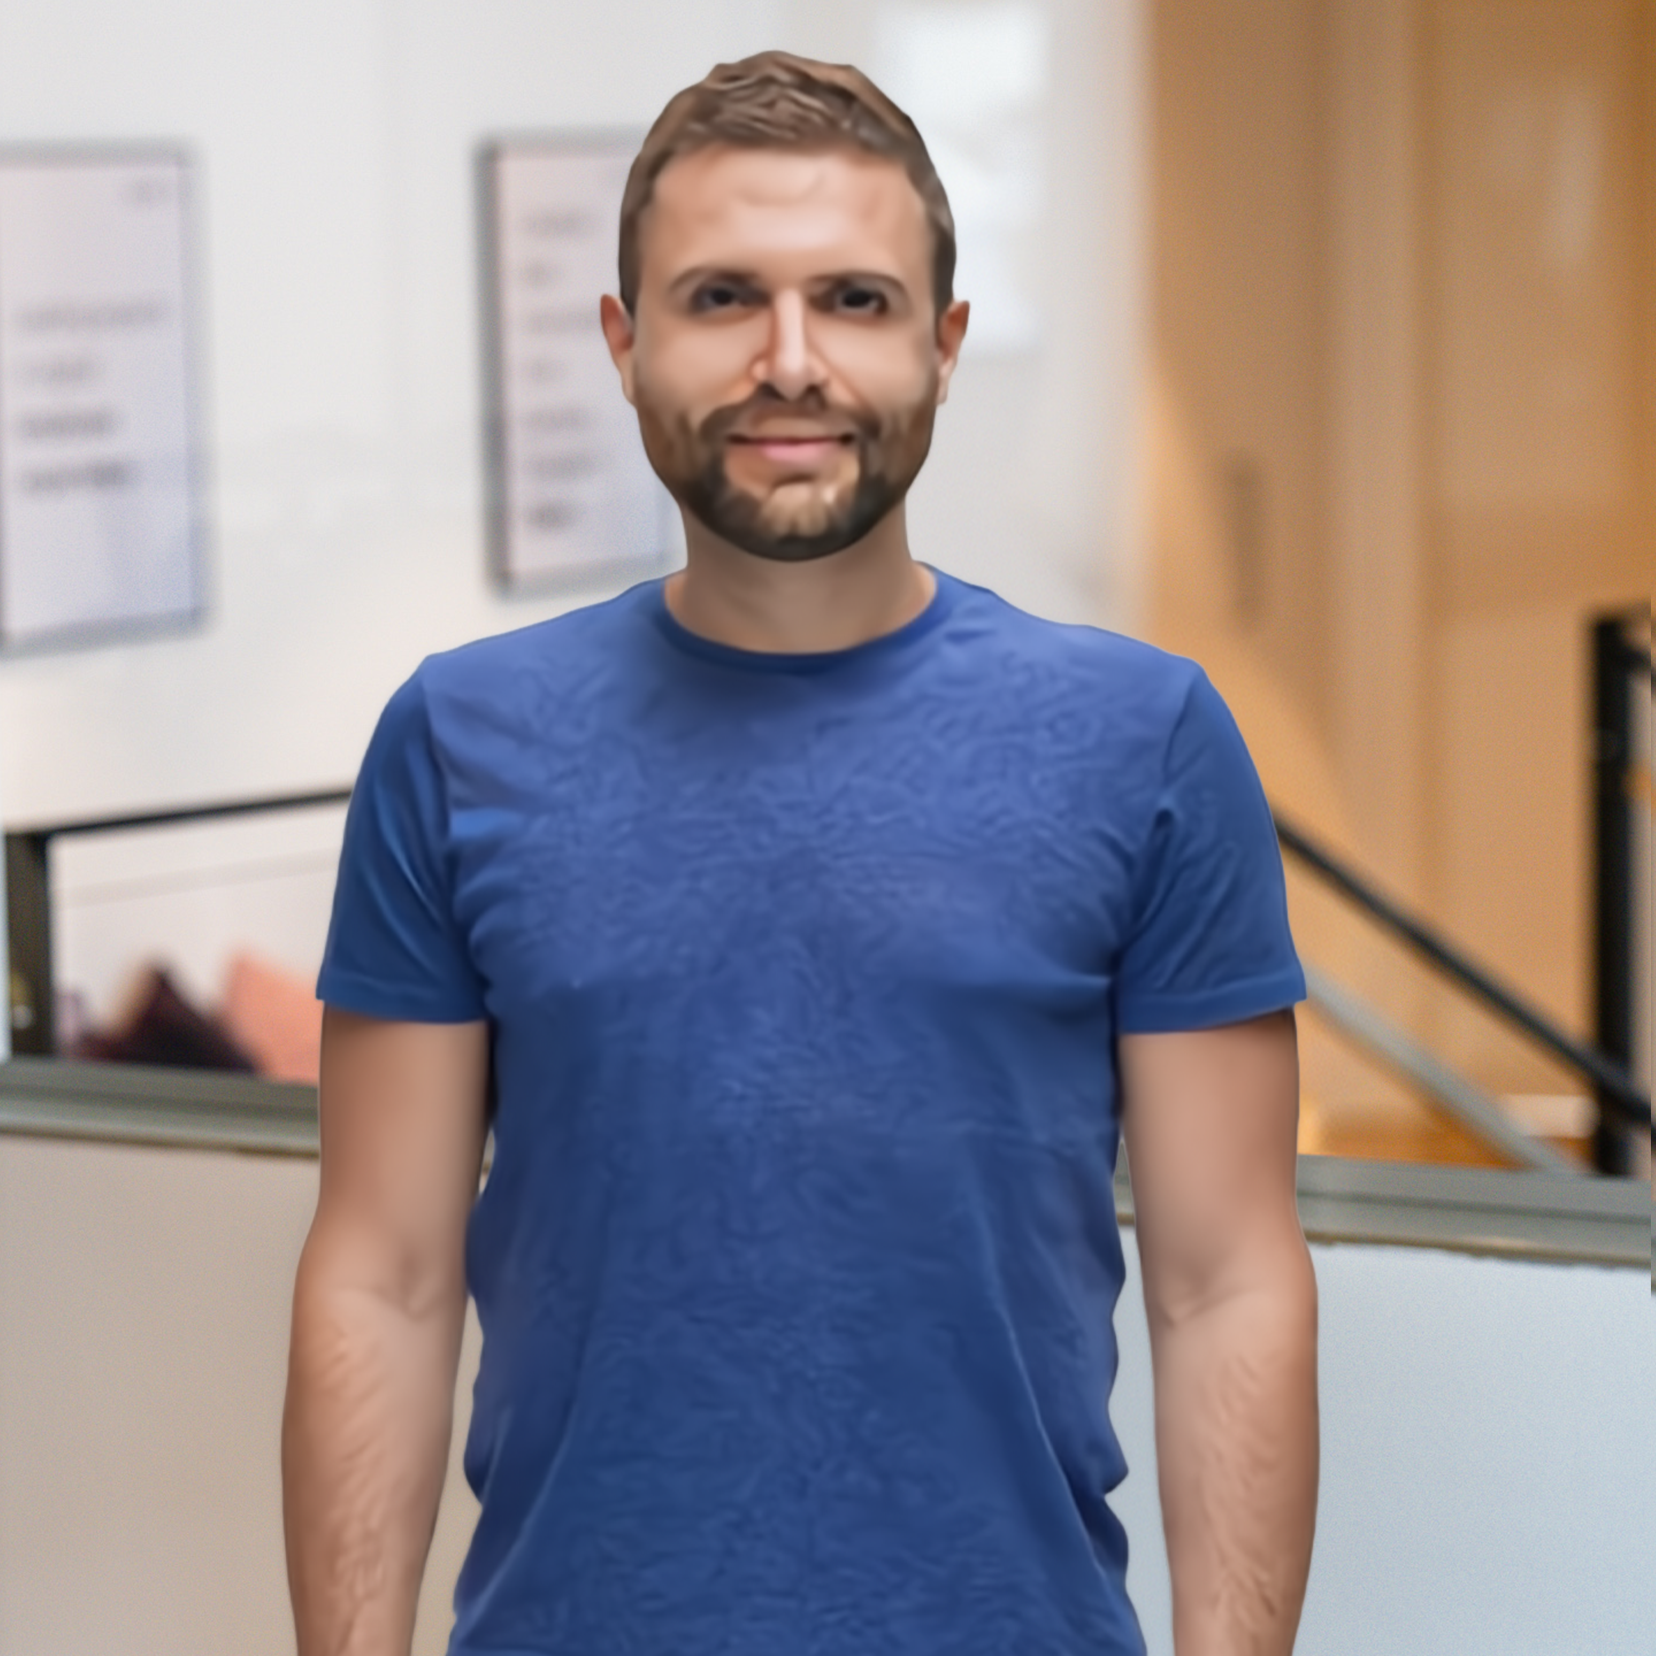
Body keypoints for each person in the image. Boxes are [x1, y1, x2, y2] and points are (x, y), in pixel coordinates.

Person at [283, 50, 1318, 1656]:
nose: (790, 363)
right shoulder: (458, 741)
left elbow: (1227, 1283)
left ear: (944, 345)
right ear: (625, 345)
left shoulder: (1146, 742)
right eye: (721, 299)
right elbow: (384, 1276)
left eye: (853, 299)